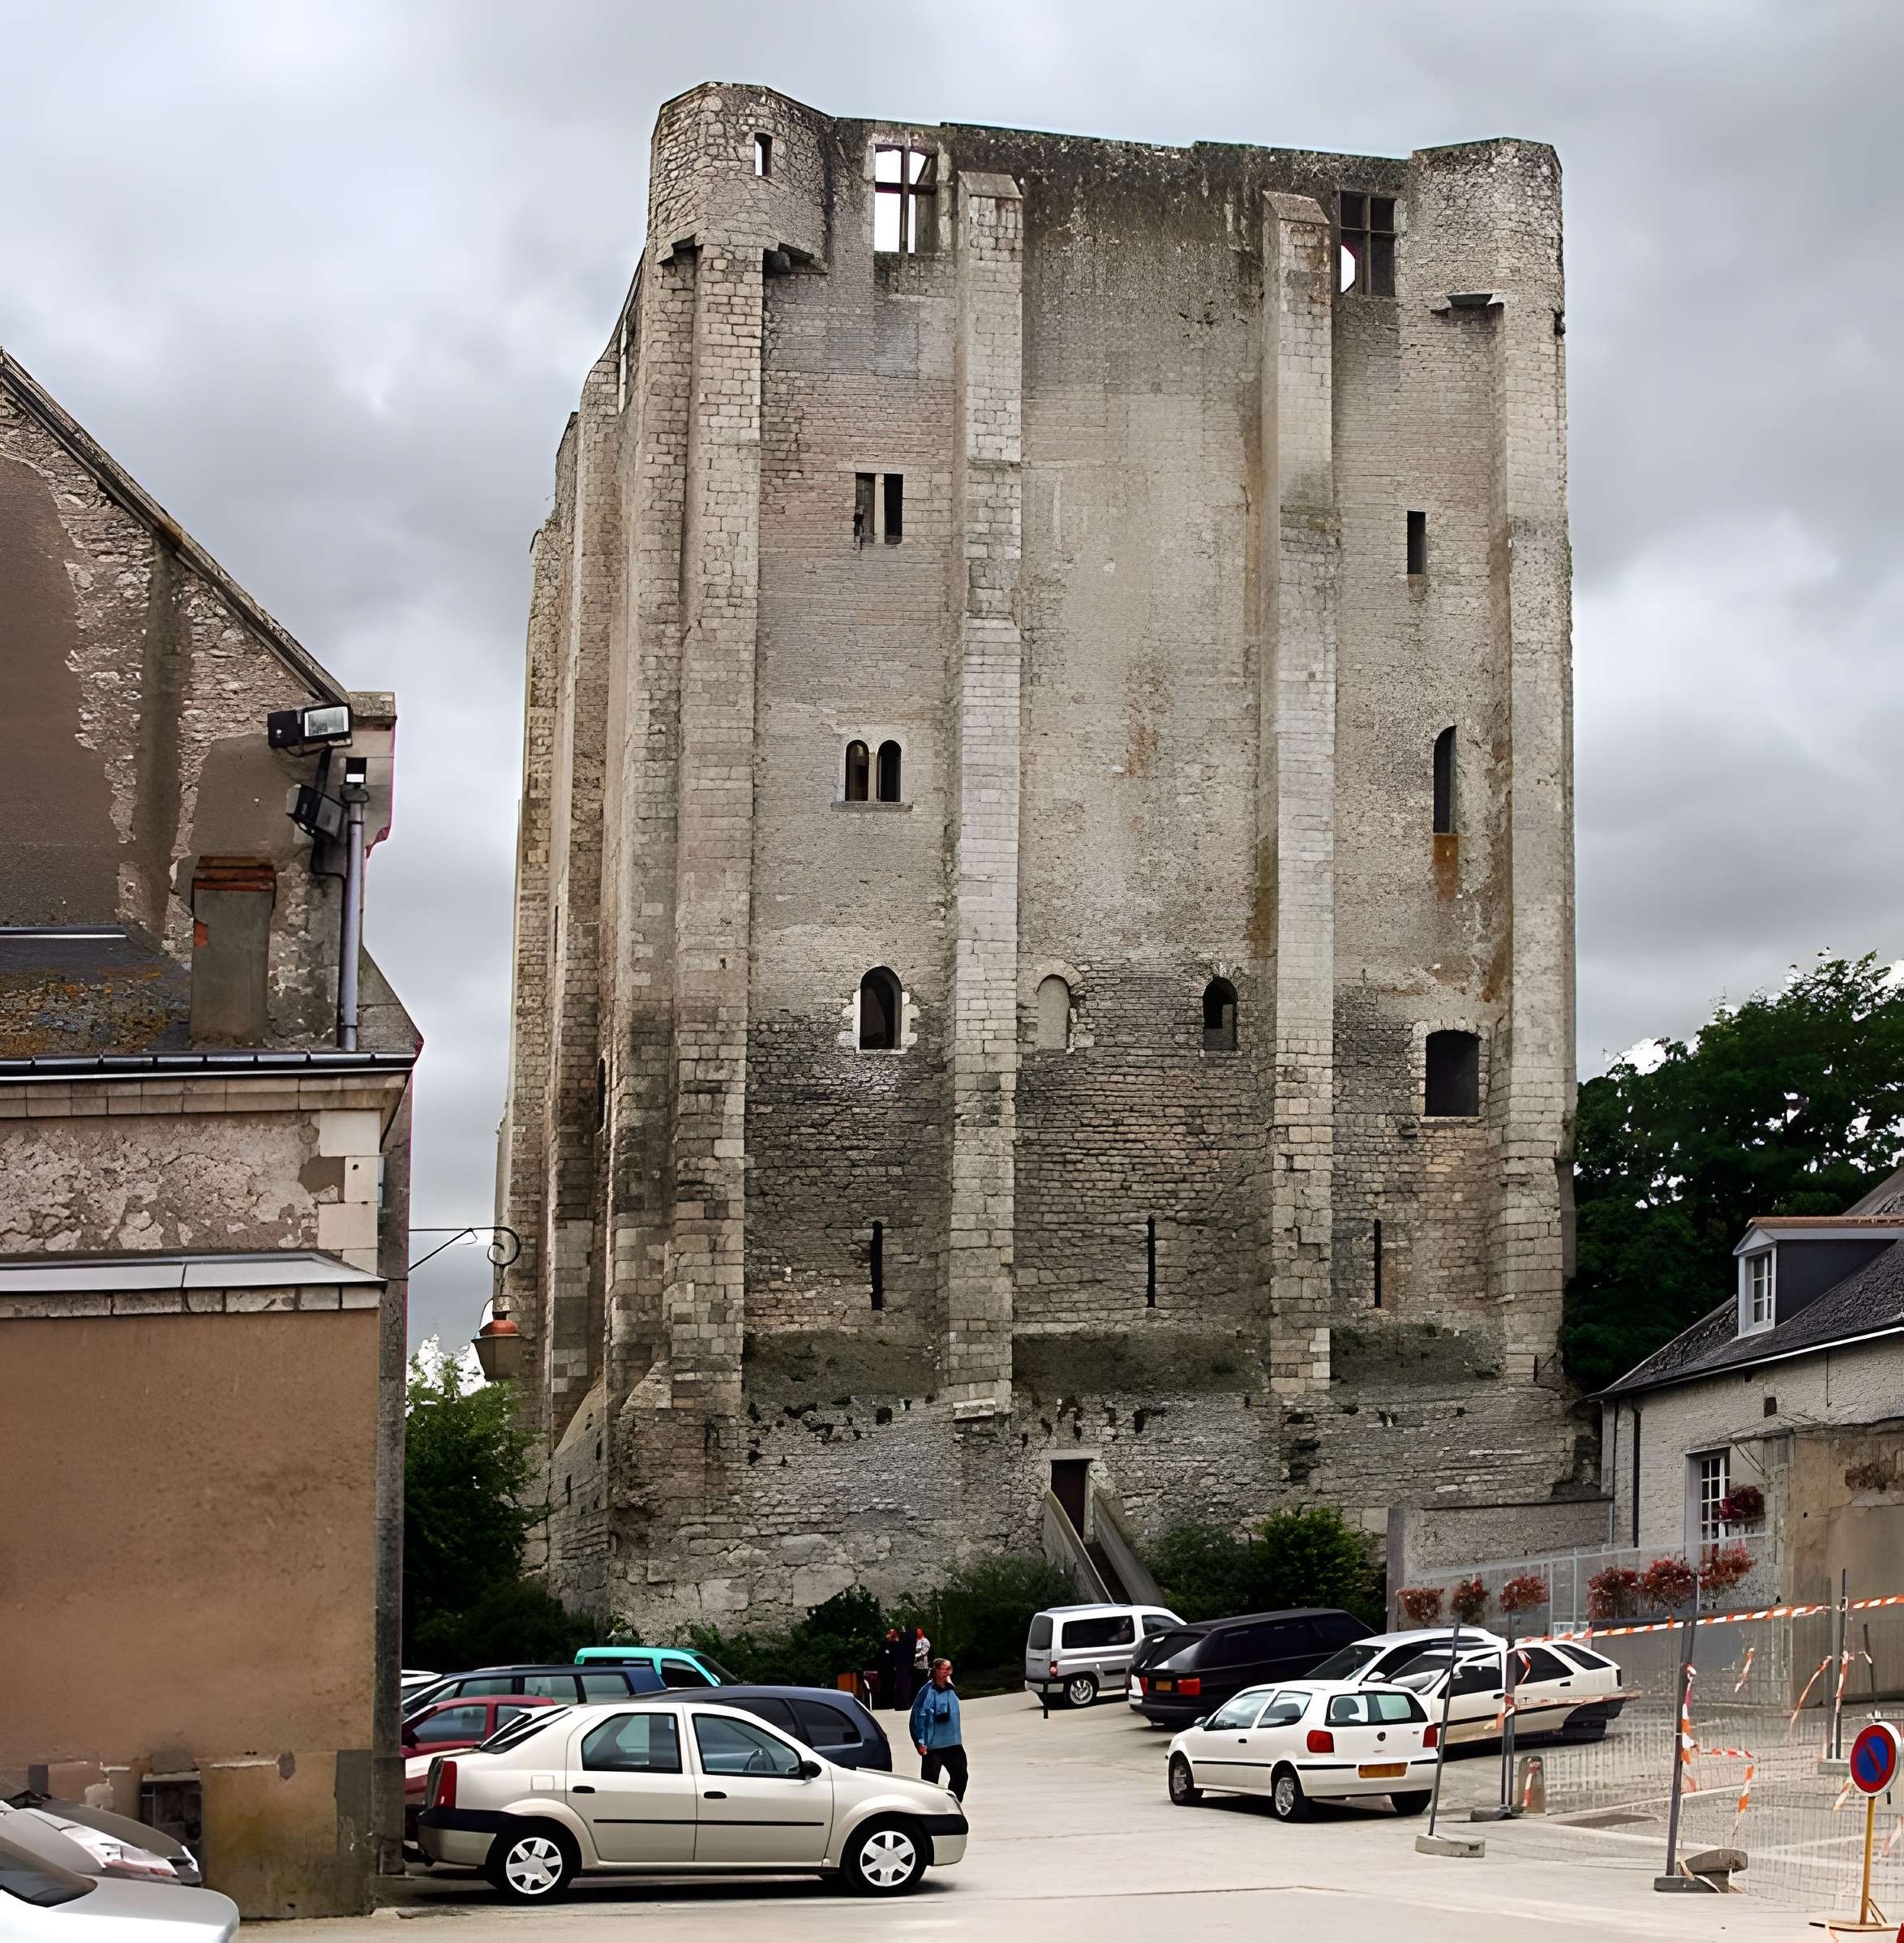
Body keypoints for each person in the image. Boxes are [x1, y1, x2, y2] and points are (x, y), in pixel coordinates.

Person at [909, 1656, 967, 1802]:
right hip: (933, 1745)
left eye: (949, 1669)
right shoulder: (927, 1691)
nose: (948, 1672)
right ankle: (930, 1807)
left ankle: (953, 1803)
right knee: (930, 1782)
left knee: (961, 1775)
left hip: (953, 1742)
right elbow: (918, 1716)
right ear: (936, 1671)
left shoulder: (951, 1688)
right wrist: (919, 1741)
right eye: (944, 1669)